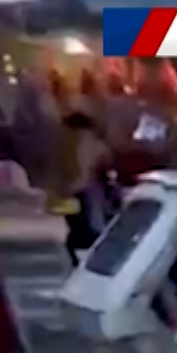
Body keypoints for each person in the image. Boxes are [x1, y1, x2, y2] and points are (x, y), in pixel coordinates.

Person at [59, 112, 113, 264]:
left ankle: (82, 261)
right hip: (89, 193)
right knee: (83, 231)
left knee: (81, 231)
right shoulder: (96, 144)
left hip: (82, 194)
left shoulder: (80, 144)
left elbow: (83, 172)